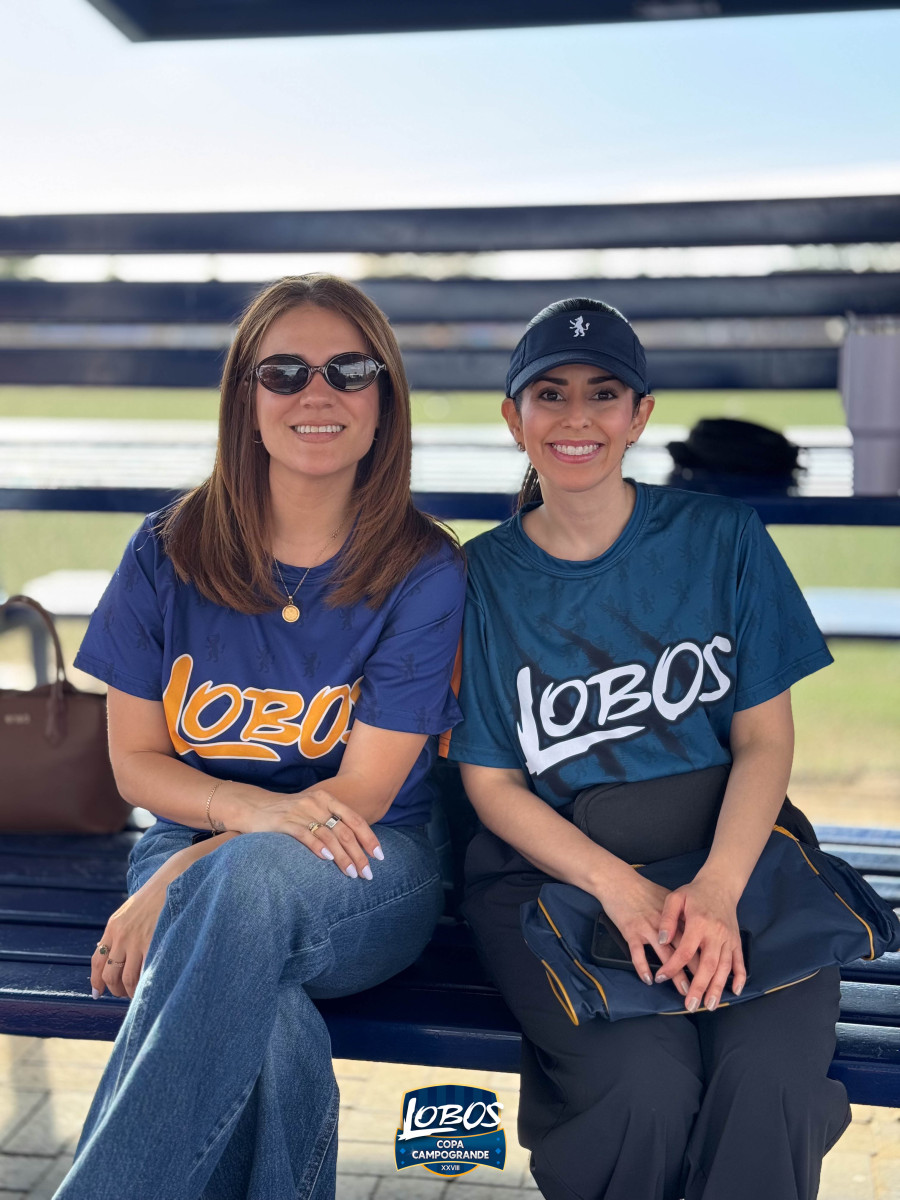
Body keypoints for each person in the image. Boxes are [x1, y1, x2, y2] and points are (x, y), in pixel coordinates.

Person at [55, 274, 465, 1200]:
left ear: (383, 400)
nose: (317, 392)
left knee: (238, 893)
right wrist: (223, 831)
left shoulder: (423, 569)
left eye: (348, 370)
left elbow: (359, 798)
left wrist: (182, 875)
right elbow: (134, 764)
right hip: (193, 846)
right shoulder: (165, 550)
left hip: (370, 863)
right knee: (264, 1016)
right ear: (246, 397)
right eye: (284, 372)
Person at [446, 298, 849, 1200]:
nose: (578, 417)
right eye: (550, 394)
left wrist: (716, 889)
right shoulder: (480, 577)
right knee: (643, 1091)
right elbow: (492, 783)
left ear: (640, 416)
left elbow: (764, 739)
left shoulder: (721, 538)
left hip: (736, 857)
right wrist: (621, 888)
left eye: (604, 393)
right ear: (514, 418)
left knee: (769, 1083)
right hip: (556, 875)